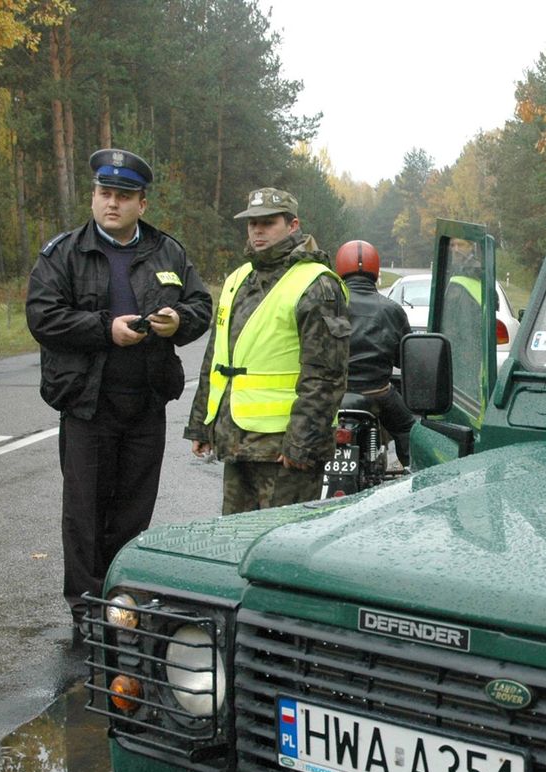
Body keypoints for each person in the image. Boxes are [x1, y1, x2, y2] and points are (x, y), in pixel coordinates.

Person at [26, 148, 212, 627]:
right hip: (88, 405)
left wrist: (178, 323)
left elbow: (200, 307)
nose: (112, 203)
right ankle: (88, 614)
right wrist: (104, 329)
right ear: (93, 197)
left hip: (146, 402)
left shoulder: (167, 252)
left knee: (133, 511)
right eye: (104, 193)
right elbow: (43, 317)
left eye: (123, 196)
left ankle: (122, 603)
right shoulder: (64, 253)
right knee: (85, 514)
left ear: (141, 204)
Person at [185, 187, 350, 513]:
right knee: (235, 545)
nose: (257, 230)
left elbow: (326, 375)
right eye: (252, 223)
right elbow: (216, 357)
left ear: (293, 225)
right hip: (238, 442)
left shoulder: (316, 284)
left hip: (284, 452)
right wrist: (203, 424)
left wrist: (302, 444)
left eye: (268, 222)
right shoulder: (238, 279)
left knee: (280, 551)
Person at [334, 239, 417, 467]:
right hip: (377, 392)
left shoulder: (328, 304)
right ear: (376, 270)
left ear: (339, 268)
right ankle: (413, 476)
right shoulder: (393, 310)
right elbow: (404, 359)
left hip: (331, 394)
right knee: (408, 428)